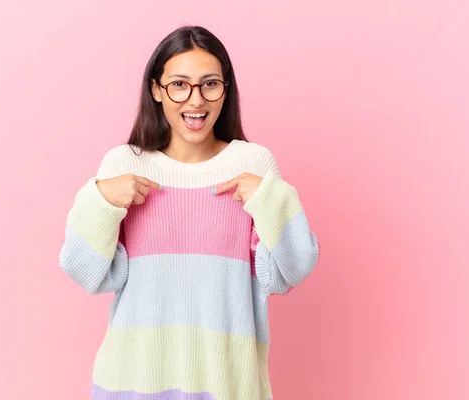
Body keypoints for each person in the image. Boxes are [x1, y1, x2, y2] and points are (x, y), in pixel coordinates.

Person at [58, 25, 320, 400]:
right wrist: (100, 199)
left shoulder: (253, 163)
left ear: (225, 90)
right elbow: (87, 273)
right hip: (132, 384)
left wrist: (270, 198)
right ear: (156, 89)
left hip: (227, 386)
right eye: (179, 84)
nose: (195, 100)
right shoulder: (124, 164)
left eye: (209, 84)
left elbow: (288, 271)